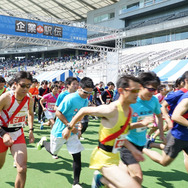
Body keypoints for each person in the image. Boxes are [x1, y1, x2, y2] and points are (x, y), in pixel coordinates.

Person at [63, 75, 145, 188]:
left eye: (139, 90)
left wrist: (133, 150)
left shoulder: (129, 110)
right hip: (103, 158)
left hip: (115, 156)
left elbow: (120, 135)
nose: (137, 94)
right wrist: (69, 128)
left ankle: (101, 181)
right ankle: (102, 179)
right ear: (121, 91)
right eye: (134, 90)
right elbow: (84, 110)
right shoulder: (111, 109)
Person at [37, 77, 94, 188]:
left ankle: (76, 183)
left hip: (72, 132)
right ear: (79, 88)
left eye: (90, 93)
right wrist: (69, 126)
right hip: (59, 131)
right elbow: (58, 113)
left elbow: (80, 114)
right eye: (86, 92)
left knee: (77, 155)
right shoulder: (70, 98)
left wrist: (79, 124)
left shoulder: (86, 100)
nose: (88, 95)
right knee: (53, 151)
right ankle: (44, 143)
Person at [120, 72, 165, 185]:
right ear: (141, 87)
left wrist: (161, 135)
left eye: (155, 89)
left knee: (125, 173)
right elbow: (120, 127)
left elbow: (159, 116)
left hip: (140, 142)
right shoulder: (130, 102)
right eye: (150, 89)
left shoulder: (154, 100)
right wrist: (141, 123)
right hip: (126, 142)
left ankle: (103, 180)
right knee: (138, 177)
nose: (153, 92)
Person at [0, 71, 34, 188]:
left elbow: (30, 113)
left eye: (28, 86)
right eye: (23, 85)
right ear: (16, 84)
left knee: (22, 168)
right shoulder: (6, 98)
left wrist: (31, 130)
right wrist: (3, 134)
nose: (26, 89)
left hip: (17, 133)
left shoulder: (29, 99)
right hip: (1, 134)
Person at [143, 90, 188, 172]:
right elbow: (174, 115)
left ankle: (150, 142)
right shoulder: (181, 95)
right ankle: (143, 147)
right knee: (164, 162)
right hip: (178, 134)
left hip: (182, 133)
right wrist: (167, 119)